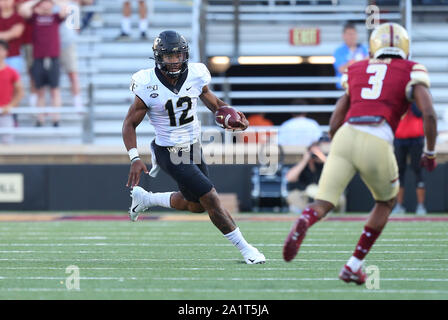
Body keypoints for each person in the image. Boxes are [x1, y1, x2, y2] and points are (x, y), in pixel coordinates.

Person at [282, 23, 437, 285]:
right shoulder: (412, 69)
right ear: (404, 46)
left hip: (346, 135)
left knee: (323, 203)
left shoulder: (357, 68)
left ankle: (306, 218)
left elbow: (335, 120)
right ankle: (353, 265)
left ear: (375, 45)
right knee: (385, 203)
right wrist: (430, 152)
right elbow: (430, 113)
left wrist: (340, 148)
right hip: (377, 135)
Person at [122, 30, 266, 265]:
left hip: (193, 146)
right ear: (159, 57)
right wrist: (134, 157)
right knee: (210, 197)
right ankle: (246, 249)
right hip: (169, 150)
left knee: (196, 205)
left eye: (178, 55)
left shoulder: (197, 74)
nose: (174, 60)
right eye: (169, 56)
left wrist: (234, 116)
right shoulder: (146, 83)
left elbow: (215, 103)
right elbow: (129, 123)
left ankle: (146, 199)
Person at [19, 0, 69, 127]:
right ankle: (40, 119)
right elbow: (23, 9)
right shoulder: (35, 17)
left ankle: (55, 119)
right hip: (38, 57)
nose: (46, 4)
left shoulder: (55, 17)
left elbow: (65, 9)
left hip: (53, 57)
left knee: (55, 90)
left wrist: (53, 2)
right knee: (40, 90)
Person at [392, 103, 427, 215]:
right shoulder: (398, 95)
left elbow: (419, 113)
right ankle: (399, 205)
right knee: (399, 171)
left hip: (416, 138)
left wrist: (411, 99)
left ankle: (421, 206)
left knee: (417, 170)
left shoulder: (418, 95)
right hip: (399, 138)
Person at [0, 40, 24, 143]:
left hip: (5, 114)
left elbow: (20, 92)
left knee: (7, 146)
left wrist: (10, 106)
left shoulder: (12, 72)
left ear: (6, 52)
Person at [333, 22, 369, 90]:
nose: (351, 36)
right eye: (349, 34)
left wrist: (352, 63)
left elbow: (371, 63)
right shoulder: (338, 51)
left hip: (361, 87)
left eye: (353, 34)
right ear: (343, 36)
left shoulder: (364, 48)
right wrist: (361, 62)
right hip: (344, 88)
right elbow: (342, 69)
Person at [0, 0, 25, 73]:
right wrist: (10, 33)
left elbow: (16, 33)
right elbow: (13, 33)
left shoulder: (18, 17)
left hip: (14, 55)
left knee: (14, 80)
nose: (5, 2)